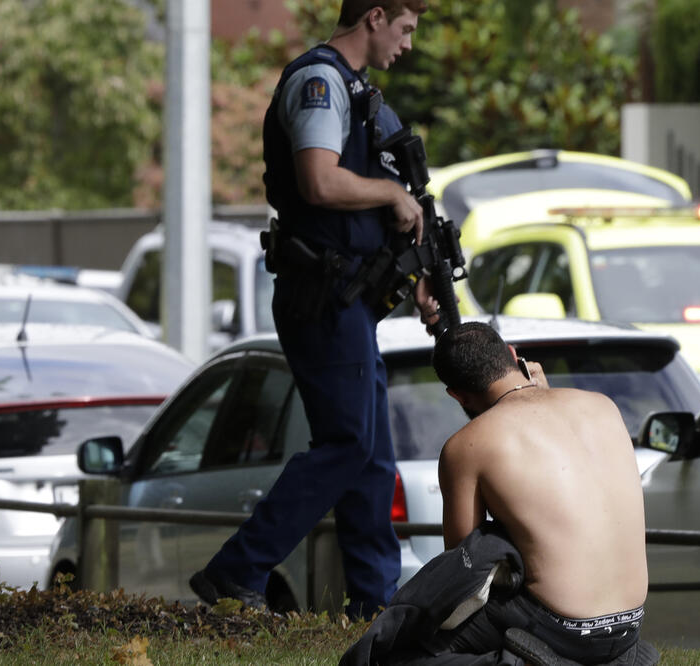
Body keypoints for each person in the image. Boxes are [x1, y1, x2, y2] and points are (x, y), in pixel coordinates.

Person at [189, 0, 432, 620]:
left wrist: (423, 267)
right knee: (348, 442)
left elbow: (389, 201)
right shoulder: (320, 81)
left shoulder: (360, 94)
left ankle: (375, 605)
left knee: (372, 452)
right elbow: (320, 182)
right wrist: (390, 193)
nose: (408, 43)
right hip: (320, 294)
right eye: (404, 28)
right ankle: (237, 571)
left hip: (349, 299)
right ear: (374, 17)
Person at [343, 322, 658, 665]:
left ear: (457, 395)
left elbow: (464, 569)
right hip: (629, 628)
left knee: (395, 655)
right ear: (512, 355)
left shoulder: (467, 445)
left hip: (560, 629)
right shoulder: (603, 406)